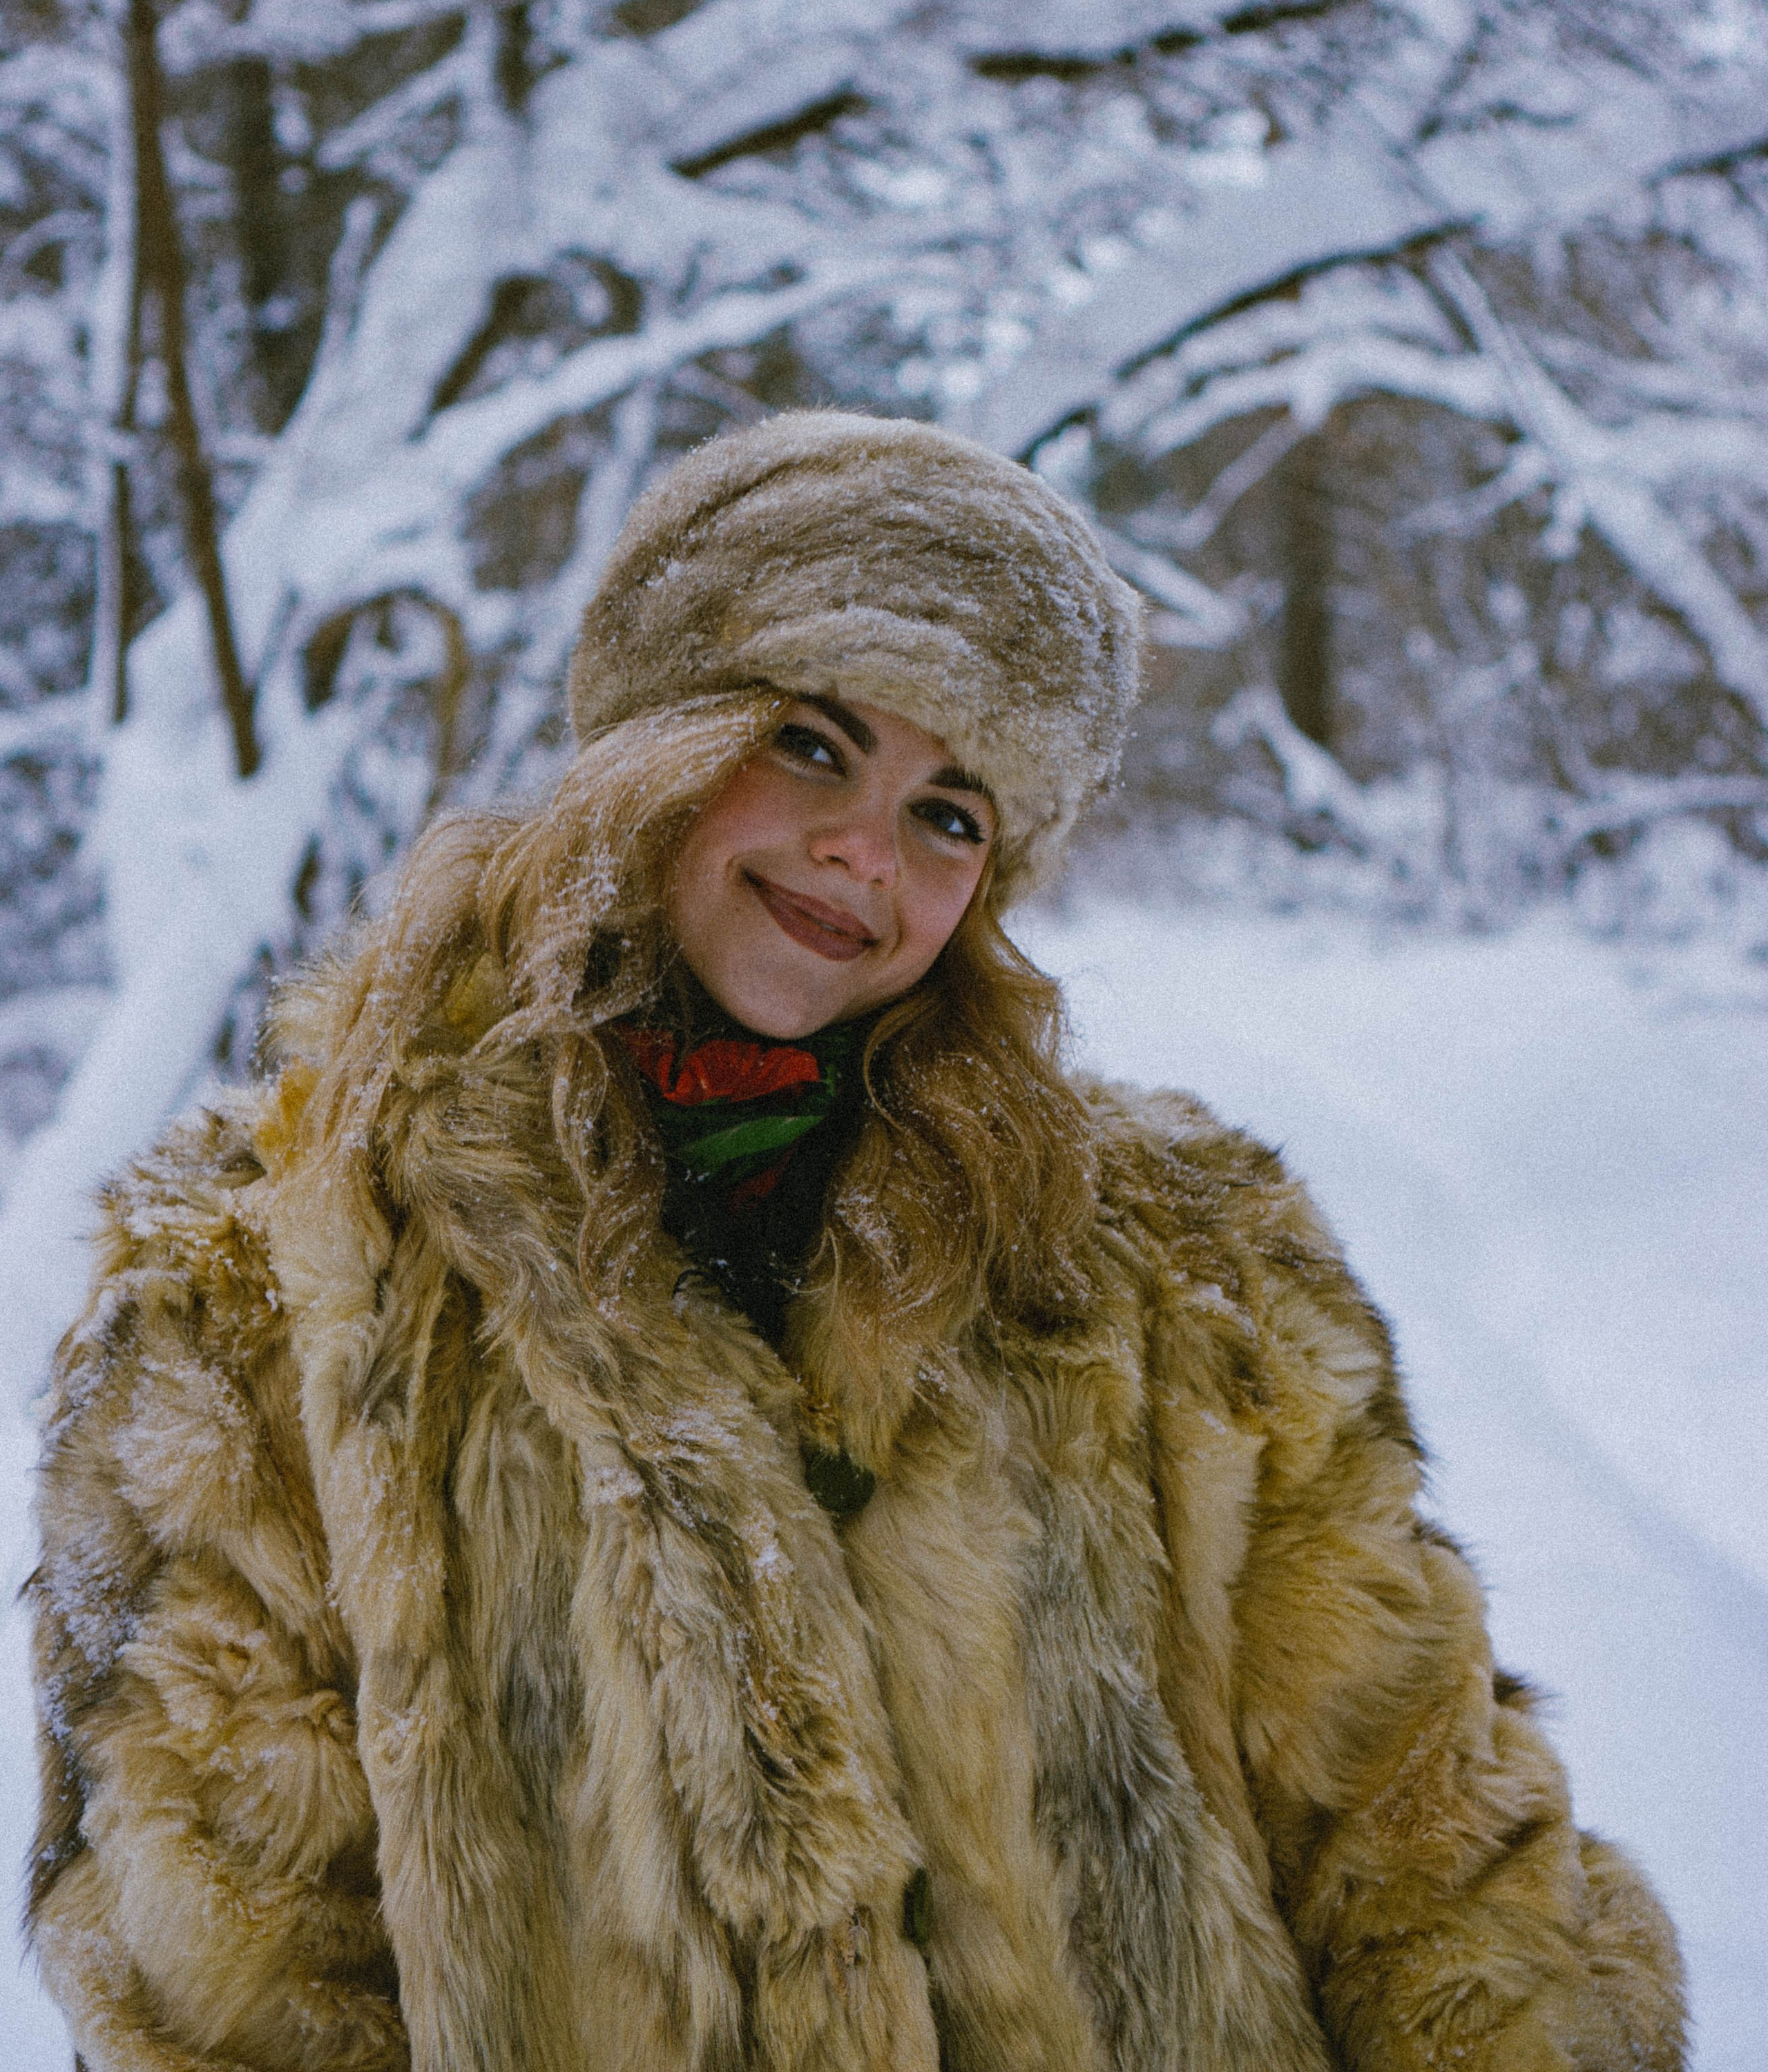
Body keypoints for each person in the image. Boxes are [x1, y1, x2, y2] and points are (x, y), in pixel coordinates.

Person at [28, 412, 1681, 2072]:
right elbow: (218, 1963)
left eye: (951, 813)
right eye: (812, 744)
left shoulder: (1187, 1267)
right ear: (658, 734)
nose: (864, 854)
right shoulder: (271, 1276)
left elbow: (1428, 1863)